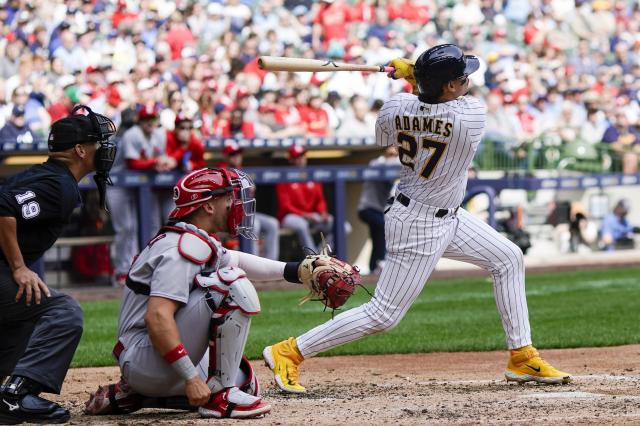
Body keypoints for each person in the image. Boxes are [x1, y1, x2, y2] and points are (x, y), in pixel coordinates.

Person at [263, 44, 571, 395]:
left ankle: (521, 355)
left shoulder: (395, 105)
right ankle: (289, 351)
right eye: (461, 77)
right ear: (449, 87)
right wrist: (413, 75)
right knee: (383, 314)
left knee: (508, 257)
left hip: (446, 214)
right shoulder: (470, 115)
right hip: (419, 225)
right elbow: (436, 109)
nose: (467, 80)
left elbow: (386, 137)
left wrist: (413, 80)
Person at [84, 168, 309, 419]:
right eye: (229, 197)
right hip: (143, 355)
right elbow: (157, 317)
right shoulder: (181, 249)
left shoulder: (194, 238)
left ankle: (138, 394)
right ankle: (219, 397)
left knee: (245, 380)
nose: (234, 203)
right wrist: (191, 377)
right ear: (209, 206)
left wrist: (299, 271)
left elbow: (239, 259)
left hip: (150, 357)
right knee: (231, 285)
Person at [0, 105, 117, 424]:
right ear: (80, 150)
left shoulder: (46, 175)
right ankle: (14, 396)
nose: (104, 149)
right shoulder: (58, 185)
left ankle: (6, 391)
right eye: (97, 143)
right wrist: (19, 266)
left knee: (26, 310)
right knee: (62, 311)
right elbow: (3, 207)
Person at [107, 105, 176, 287]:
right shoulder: (131, 135)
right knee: (126, 228)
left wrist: (164, 163)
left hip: (139, 185)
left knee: (146, 225)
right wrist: (156, 163)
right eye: (146, 119)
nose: (150, 123)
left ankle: (146, 268)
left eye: (153, 119)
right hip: (117, 184)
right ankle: (121, 270)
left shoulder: (159, 134)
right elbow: (132, 164)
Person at [216, 141, 280, 260]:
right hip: (229, 216)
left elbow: (248, 200)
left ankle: (271, 263)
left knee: (273, 224)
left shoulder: (241, 171)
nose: (236, 157)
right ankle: (253, 265)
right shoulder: (221, 172)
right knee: (253, 225)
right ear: (225, 156)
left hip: (243, 213)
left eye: (238, 153)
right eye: (232, 154)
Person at [276, 144, 335, 252]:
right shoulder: (284, 177)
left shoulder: (312, 174)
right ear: (291, 160)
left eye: (302, 156)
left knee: (343, 226)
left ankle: (322, 254)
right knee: (301, 225)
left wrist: (323, 212)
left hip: (312, 216)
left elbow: (320, 200)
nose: (301, 159)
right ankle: (314, 260)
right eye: (297, 157)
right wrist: (305, 215)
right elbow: (285, 206)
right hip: (290, 217)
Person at [357, 146, 399, 274]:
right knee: (383, 229)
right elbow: (384, 169)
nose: (393, 151)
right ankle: (381, 262)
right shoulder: (376, 162)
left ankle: (373, 267)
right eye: (390, 148)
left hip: (378, 209)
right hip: (367, 208)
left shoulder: (395, 164)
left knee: (377, 238)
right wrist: (393, 157)